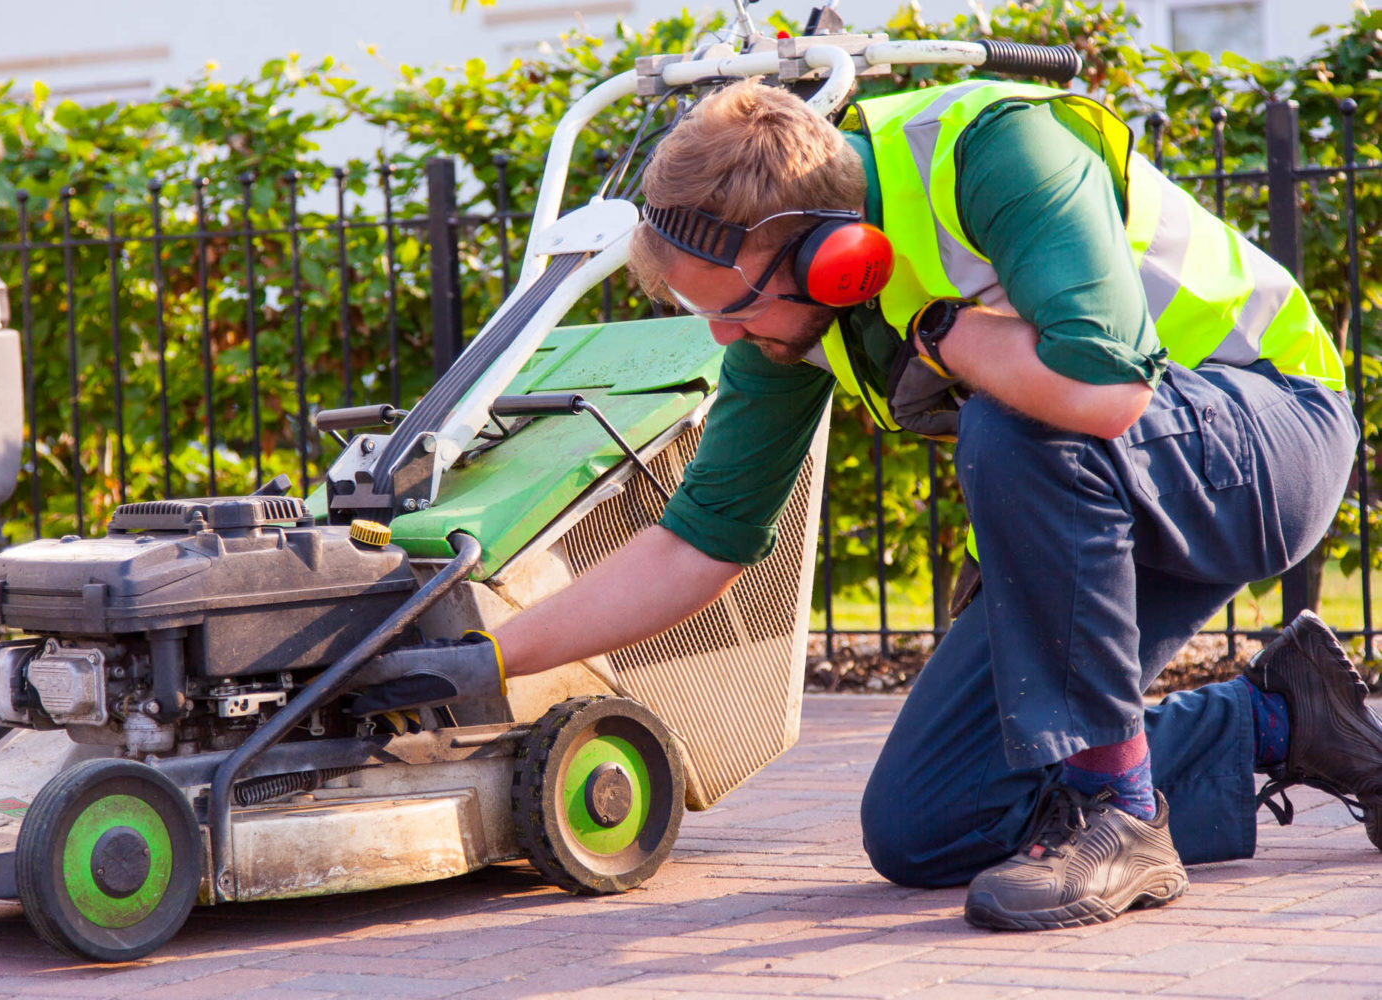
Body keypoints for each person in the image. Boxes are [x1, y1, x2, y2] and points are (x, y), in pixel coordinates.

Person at [353, 75, 1379, 931]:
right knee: (929, 824)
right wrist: (484, 658)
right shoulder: (795, 316)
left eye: (734, 308)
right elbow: (697, 545)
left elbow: (1104, 396)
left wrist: (947, 332)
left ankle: (1121, 814)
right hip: (1108, 499)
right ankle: (1281, 722)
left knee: (1014, 419)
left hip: (1263, 439)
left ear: (825, 253)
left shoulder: (1000, 151)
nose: (720, 339)